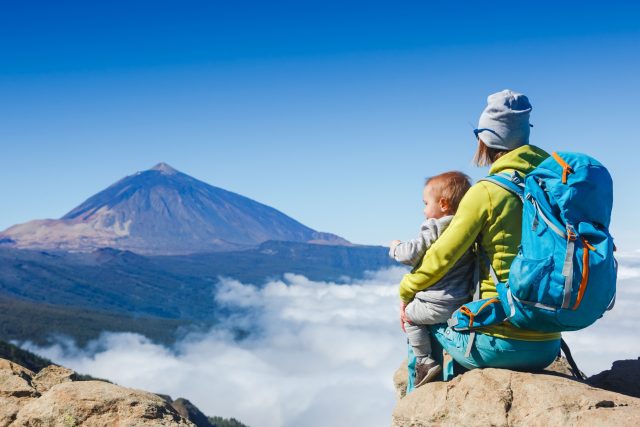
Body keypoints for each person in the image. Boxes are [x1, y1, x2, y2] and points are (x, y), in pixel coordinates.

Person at [398, 89, 561, 377]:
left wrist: (406, 292)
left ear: (485, 137)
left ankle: (421, 401)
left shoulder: (486, 192)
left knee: (418, 314)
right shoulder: (551, 187)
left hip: (499, 342)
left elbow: (441, 257)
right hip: (548, 343)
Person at [390, 171, 475, 387]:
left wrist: (395, 248)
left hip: (437, 305)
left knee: (409, 316)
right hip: (462, 304)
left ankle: (424, 361)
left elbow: (410, 254)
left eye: (426, 203)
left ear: (444, 204)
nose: (423, 210)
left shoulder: (436, 226)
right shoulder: (467, 228)